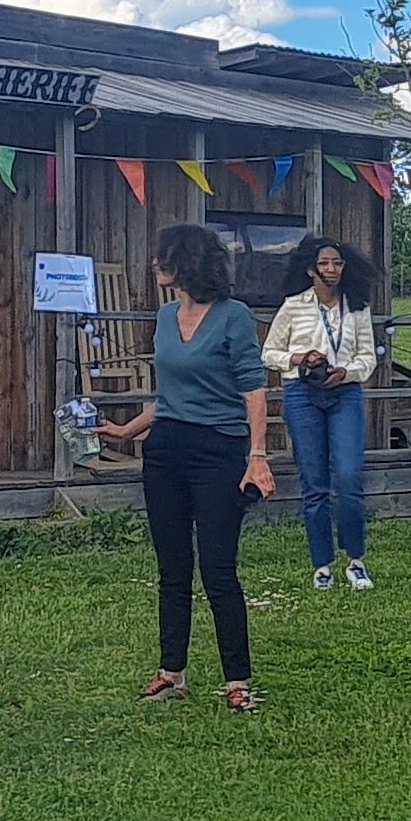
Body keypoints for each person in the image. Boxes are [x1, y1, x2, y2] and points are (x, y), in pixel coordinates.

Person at [107, 224, 278, 710]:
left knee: (218, 569)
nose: (155, 265)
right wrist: (129, 430)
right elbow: (169, 396)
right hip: (166, 449)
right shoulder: (164, 316)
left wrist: (258, 456)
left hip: (219, 450)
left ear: (185, 264)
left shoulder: (234, 317)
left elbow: (253, 388)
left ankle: (237, 681)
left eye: (163, 258)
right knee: (172, 567)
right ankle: (171, 671)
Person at [265, 236, 381, 589]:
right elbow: (269, 353)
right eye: (325, 263)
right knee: (314, 483)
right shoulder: (292, 306)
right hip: (302, 393)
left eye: (338, 263)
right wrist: (301, 359)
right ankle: (322, 565)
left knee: (348, 477)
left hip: (344, 392)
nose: (332, 270)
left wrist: (346, 372)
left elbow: (368, 357)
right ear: (310, 269)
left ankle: (355, 559)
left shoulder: (358, 308)